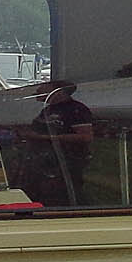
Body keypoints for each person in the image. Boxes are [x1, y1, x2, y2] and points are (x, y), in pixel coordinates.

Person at [12, 79, 94, 207]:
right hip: (43, 163)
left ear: (57, 90)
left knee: (62, 196)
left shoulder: (76, 109)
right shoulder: (48, 110)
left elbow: (85, 136)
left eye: (43, 86)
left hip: (65, 163)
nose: (38, 90)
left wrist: (43, 137)